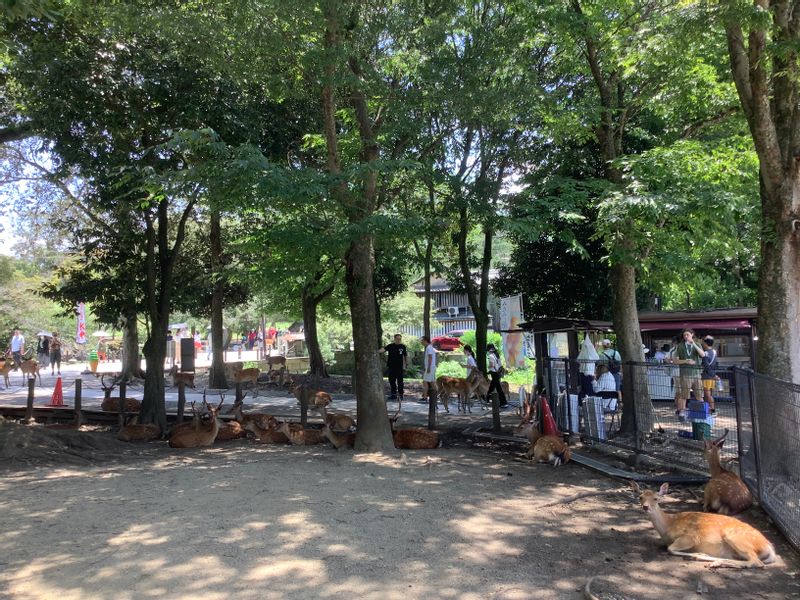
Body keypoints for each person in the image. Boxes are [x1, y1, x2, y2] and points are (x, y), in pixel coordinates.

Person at [674, 328, 705, 421]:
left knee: (699, 394)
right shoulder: (680, 346)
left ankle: (701, 413)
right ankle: (682, 413)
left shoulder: (698, 344)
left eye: (687, 334)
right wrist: (686, 361)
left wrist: (694, 344)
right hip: (685, 373)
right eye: (684, 335)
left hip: (696, 373)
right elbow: (675, 361)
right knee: (684, 394)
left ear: (692, 334)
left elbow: (703, 355)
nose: (685, 337)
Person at [378, 333, 408, 402]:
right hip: (391, 367)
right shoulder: (390, 346)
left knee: (400, 381)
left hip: (399, 367)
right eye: (397, 339)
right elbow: (383, 349)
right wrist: (377, 351)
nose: (399, 340)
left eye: (400, 339)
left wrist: (406, 364)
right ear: (394, 339)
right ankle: (393, 394)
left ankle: (401, 394)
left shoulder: (403, 346)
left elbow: (405, 355)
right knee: (392, 381)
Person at [701, 336, 718, 414]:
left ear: (705, 343)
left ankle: (712, 409)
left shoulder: (705, 353)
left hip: (706, 376)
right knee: (709, 393)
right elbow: (716, 364)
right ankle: (710, 408)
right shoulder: (714, 352)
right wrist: (714, 374)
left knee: (707, 394)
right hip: (711, 375)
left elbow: (706, 366)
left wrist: (712, 374)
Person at [487, 343, 507, 407]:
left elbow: (491, 365)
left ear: (489, 349)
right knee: (492, 386)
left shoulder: (490, 356)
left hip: (494, 373)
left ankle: (503, 403)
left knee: (498, 388)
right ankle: (487, 398)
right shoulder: (496, 354)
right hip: (498, 373)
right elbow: (499, 364)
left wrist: (488, 367)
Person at [420, 336, 437, 403]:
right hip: (431, 367)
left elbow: (430, 357)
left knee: (425, 382)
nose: (421, 342)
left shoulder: (429, 347)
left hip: (430, 367)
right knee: (432, 382)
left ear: (425, 340)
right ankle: (436, 396)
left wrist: (429, 367)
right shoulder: (429, 347)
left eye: (422, 341)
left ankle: (425, 397)